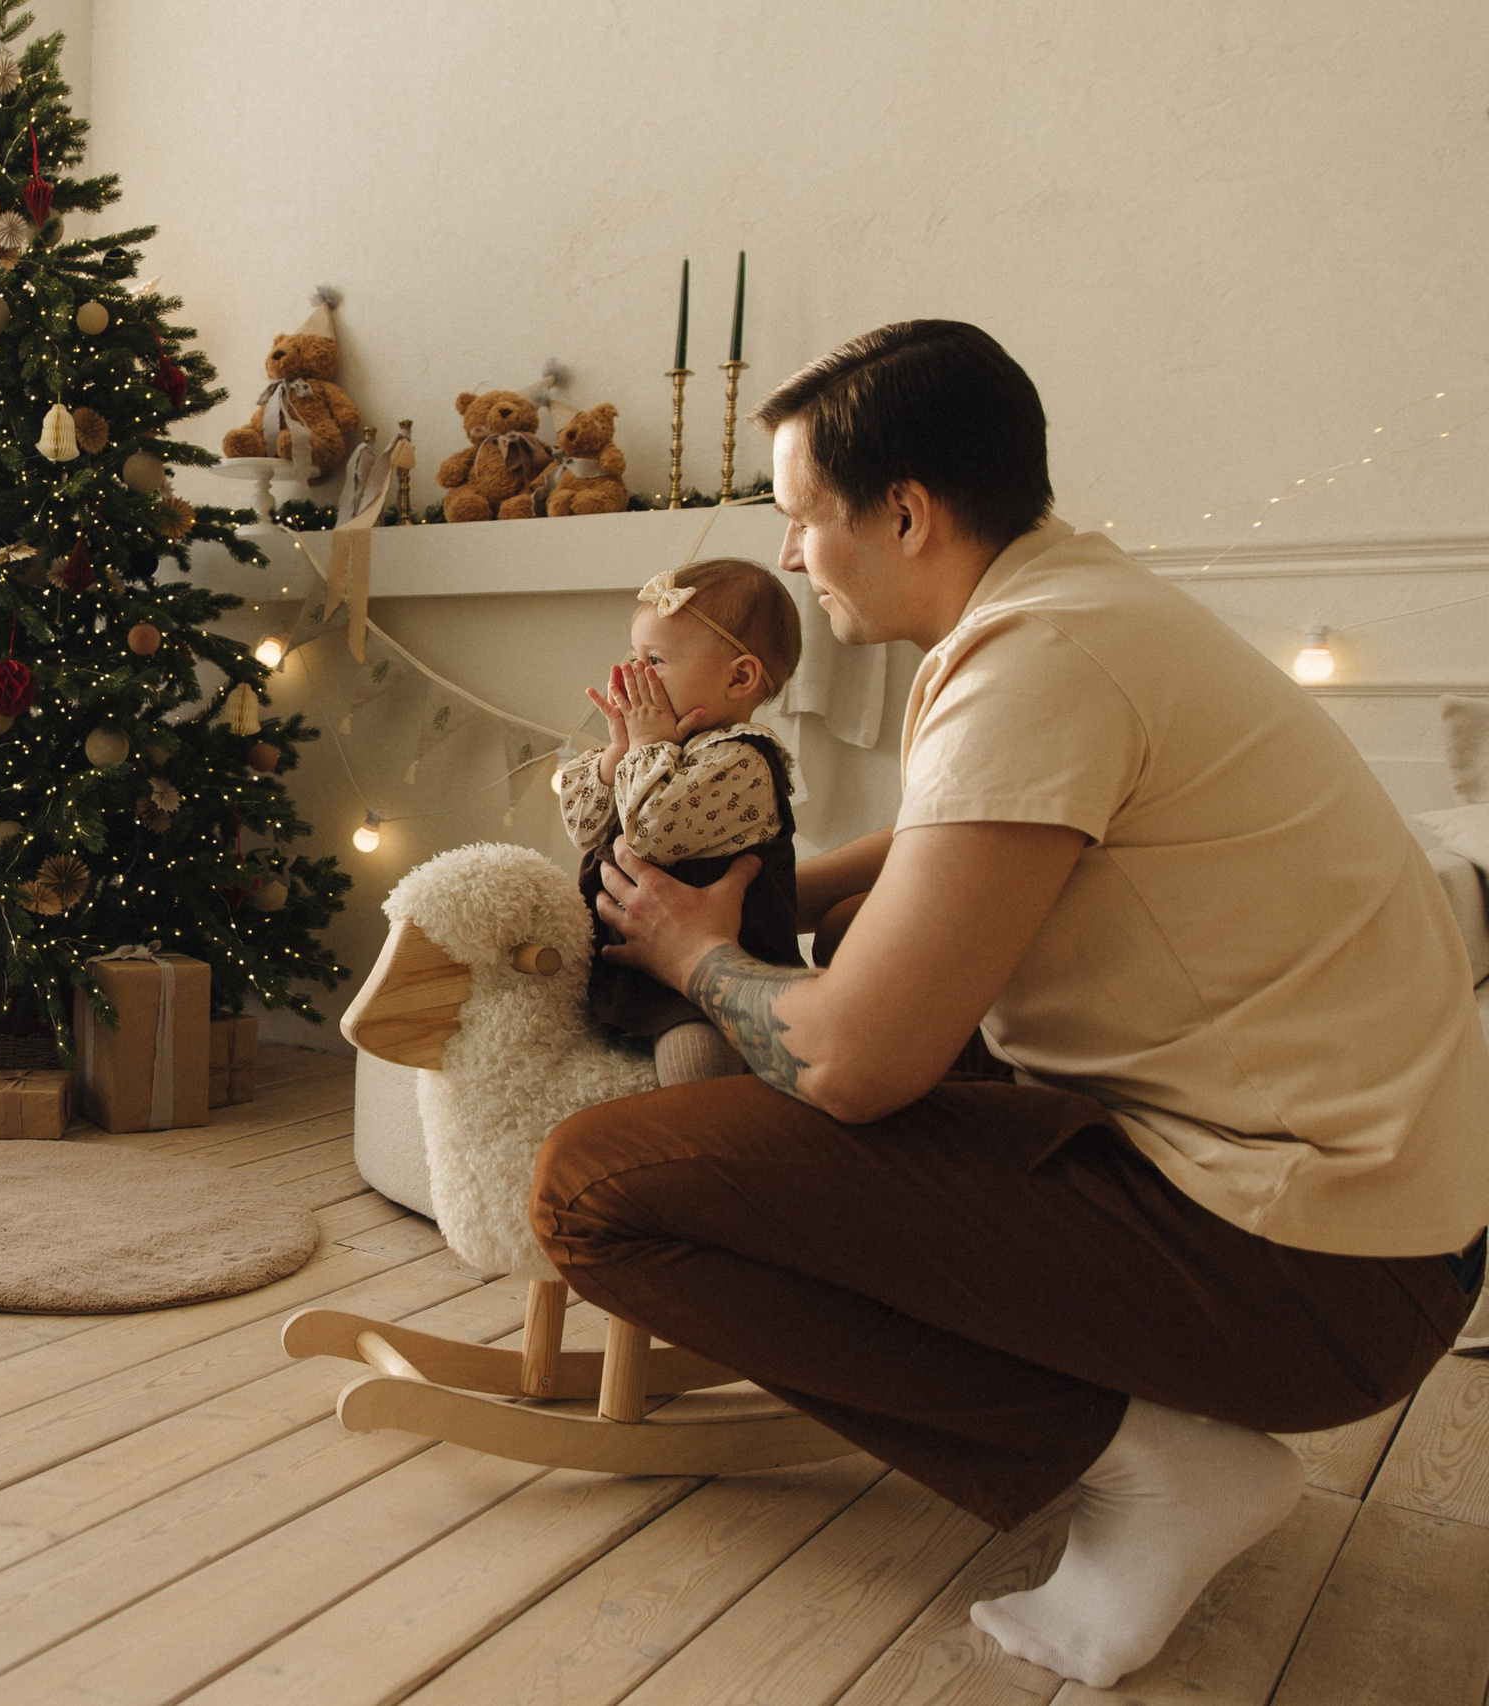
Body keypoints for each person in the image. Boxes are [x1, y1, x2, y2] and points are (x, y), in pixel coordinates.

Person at [532, 320, 1489, 1690]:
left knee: (592, 1193)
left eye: (803, 519)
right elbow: (949, 865)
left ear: (906, 511)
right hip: (1371, 1234)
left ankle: (1157, 1468)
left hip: (1318, 1274)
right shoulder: (1070, 611)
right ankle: (1139, 1440)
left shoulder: (1040, 662)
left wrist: (694, 956)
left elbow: (855, 1061)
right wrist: (760, 900)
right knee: (862, 957)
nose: (793, 556)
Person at [558, 559, 805, 1084]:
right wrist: (615, 755)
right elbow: (586, 826)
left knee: (695, 1058)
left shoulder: (740, 760)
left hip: (705, 984)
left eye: (656, 660)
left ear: (739, 677)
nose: (631, 675)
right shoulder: (662, 750)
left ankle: (696, 1147)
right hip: (630, 965)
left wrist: (646, 746)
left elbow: (651, 834)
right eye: (633, 655)